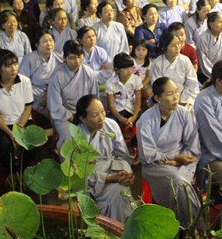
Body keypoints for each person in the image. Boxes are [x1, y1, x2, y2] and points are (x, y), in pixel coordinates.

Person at [137, 77, 201, 228]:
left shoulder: (184, 113)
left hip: (183, 160)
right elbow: (147, 154)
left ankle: (186, 224)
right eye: (170, 94)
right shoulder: (145, 120)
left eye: (177, 92)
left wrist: (179, 160)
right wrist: (173, 157)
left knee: (180, 180)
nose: (176, 97)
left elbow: (192, 145)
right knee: (177, 181)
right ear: (158, 98)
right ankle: (192, 224)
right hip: (155, 165)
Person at [73, 95, 133, 223]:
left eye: (103, 111)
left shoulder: (111, 125)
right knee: (119, 193)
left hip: (114, 171)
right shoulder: (76, 136)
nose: (101, 118)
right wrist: (110, 178)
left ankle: (121, 228)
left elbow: (123, 156)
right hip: (91, 183)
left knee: (121, 190)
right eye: (95, 115)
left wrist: (124, 174)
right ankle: (118, 229)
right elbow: (80, 174)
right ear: (83, 118)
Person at [0, 47, 35, 175]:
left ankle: (21, 171)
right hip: (2, 125)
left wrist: (18, 129)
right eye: (8, 66)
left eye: (15, 64)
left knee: (34, 143)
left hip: (22, 122)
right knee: (4, 146)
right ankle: (12, 174)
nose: (13, 69)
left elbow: (28, 109)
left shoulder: (25, 82)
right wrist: (11, 133)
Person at [48, 40, 100, 148]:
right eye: (72, 58)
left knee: (100, 132)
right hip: (64, 117)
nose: (77, 61)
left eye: (80, 57)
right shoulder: (57, 76)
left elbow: (94, 99)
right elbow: (55, 105)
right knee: (69, 137)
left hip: (85, 114)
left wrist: (87, 116)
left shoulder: (89, 73)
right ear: (65, 58)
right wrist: (72, 117)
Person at [18, 32, 63, 118]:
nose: (49, 44)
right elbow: (22, 82)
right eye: (45, 41)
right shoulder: (29, 59)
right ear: (37, 45)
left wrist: (49, 93)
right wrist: (43, 95)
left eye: (51, 40)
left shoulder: (59, 58)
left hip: (53, 90)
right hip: (35, 92)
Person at [150, 32, 200, 108]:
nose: (177, 47)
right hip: (165, 101)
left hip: (185, 99)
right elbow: (158, 88)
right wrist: (172, 101)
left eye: (178, 43)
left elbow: (192, 84)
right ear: (164, 48)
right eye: (173, 45)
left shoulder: (185, 60)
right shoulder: (157, 64)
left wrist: (185, 103)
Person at [106, 53, 142, 131]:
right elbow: (110, 105)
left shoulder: (136, 79)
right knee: (110, 122)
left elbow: (138, 101)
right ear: (116, 70)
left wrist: (134, 117)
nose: (129, 70)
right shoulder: (110, 82)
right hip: (117, 110)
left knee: (142, 118)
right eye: (125, 68)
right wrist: (121, 119)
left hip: (132, 108)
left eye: (131, 67)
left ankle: (135, 137)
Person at [197, 12, 222, 81]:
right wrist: (215, 74)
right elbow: (203, 60)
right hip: (207, 73)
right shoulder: (203, 38)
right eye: (220, 22)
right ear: (211, 24)